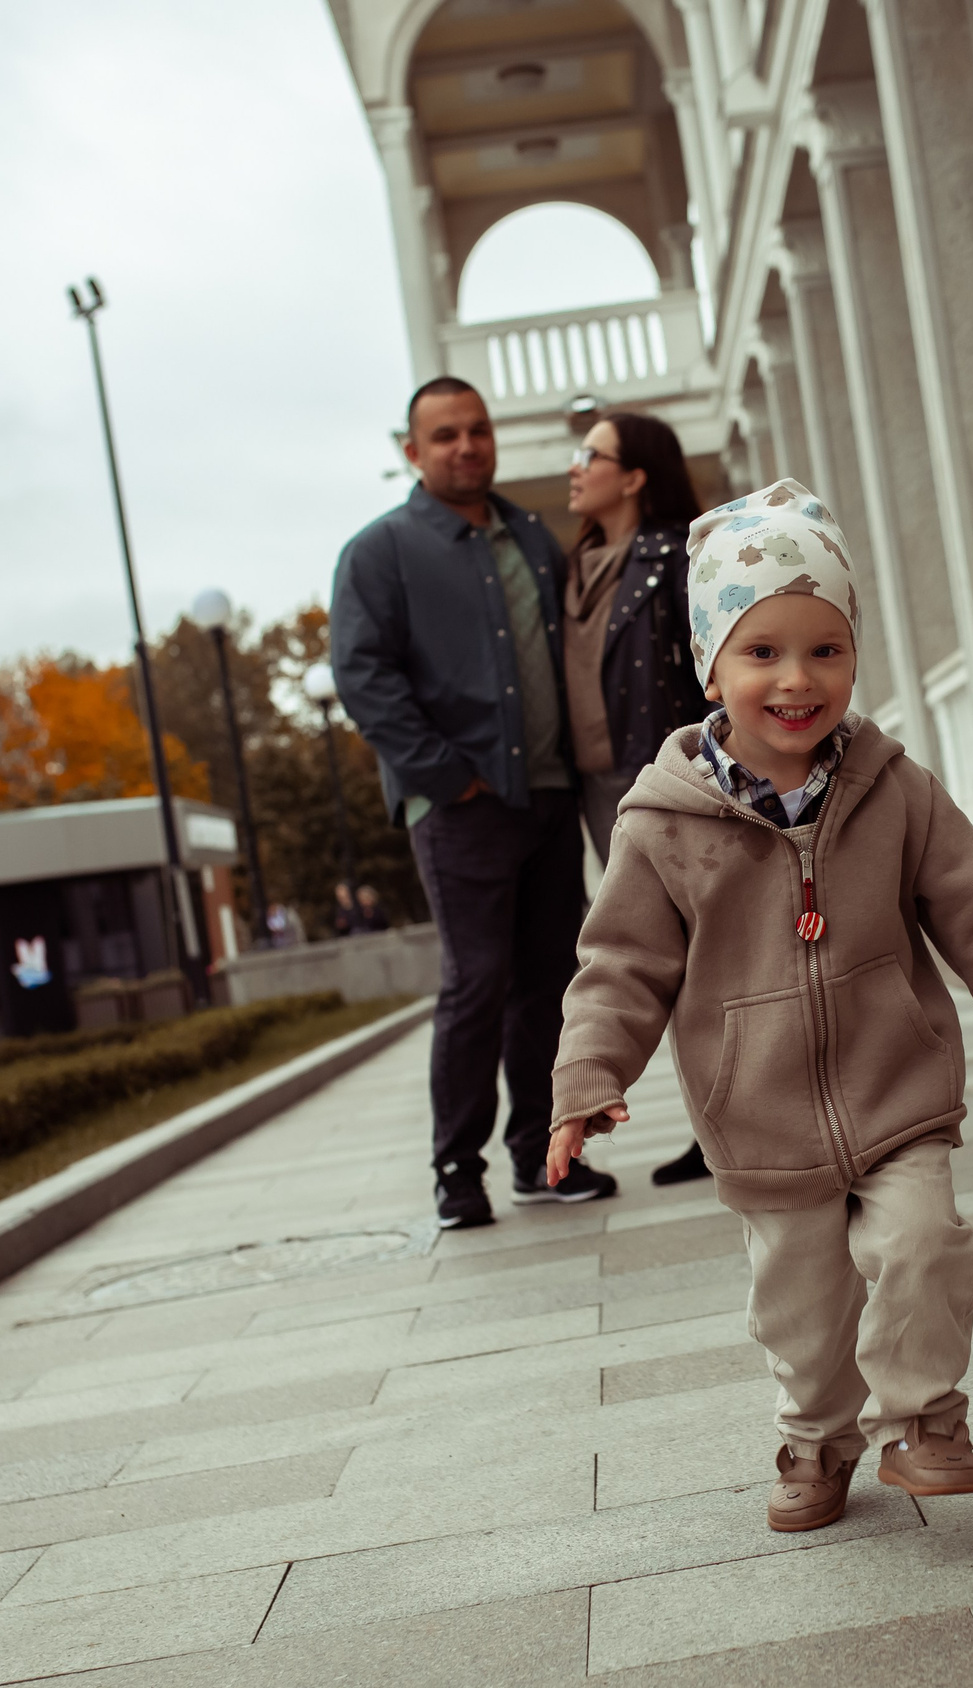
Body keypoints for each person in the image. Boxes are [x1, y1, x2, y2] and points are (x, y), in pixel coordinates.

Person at [544, 479, 973, 1535]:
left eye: (825, 650)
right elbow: (619, 967)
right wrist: (586, 1083)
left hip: (894, 1088)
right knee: (802, 1310)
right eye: (761, 652)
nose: (796, 679)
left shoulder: (892, 789)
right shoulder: (663, 823)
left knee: (920, 1246)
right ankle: (816, 1439)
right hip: (759, 1117)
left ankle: (927, 1422)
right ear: (708, 665)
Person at [331, 376, 621, 1230]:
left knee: (547, 981)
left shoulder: (531, 535)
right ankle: (459, 1170)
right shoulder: (378, 552)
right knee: (476, 982)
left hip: (546, 792)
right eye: (446, 435)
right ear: (411, 452)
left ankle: (541, 1155)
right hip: (458, 806)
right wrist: (444, 775)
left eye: (478, 430)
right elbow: (364, 676)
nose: (467, 446)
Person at [561, 409, 716, 1190]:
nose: (575, 466)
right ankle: (714, 1119)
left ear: (634, 476)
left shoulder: (675, 559)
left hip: (665, 779)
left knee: (699, 954)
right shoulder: (576, 566)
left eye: (592, 454)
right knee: (653, 950)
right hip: (600, 789)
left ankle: (721, 1121)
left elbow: (708, 673)